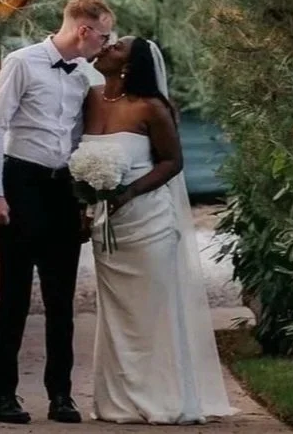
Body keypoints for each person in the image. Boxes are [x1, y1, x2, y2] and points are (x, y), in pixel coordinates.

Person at [82, 36, 235, 424]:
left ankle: (164, 398)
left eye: (116, 48)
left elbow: (172, 161)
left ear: (130, 65)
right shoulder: (91, 97)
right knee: (117, 316)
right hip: (106, 227)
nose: (105, 49)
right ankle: (116, 401)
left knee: (152, 312)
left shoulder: (151, 107)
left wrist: (129, 192)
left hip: (147, 221)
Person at [0, 0, 115, 425]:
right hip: (21, 183)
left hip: (62, 190)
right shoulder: (22, 62)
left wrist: (84, 194)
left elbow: (82, 136)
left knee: (62, 300)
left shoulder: (86, 77)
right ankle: (4, 397)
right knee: (14, 296)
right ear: (84, 30)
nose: (106, 45)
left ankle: (61, 396)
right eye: (104, 36)